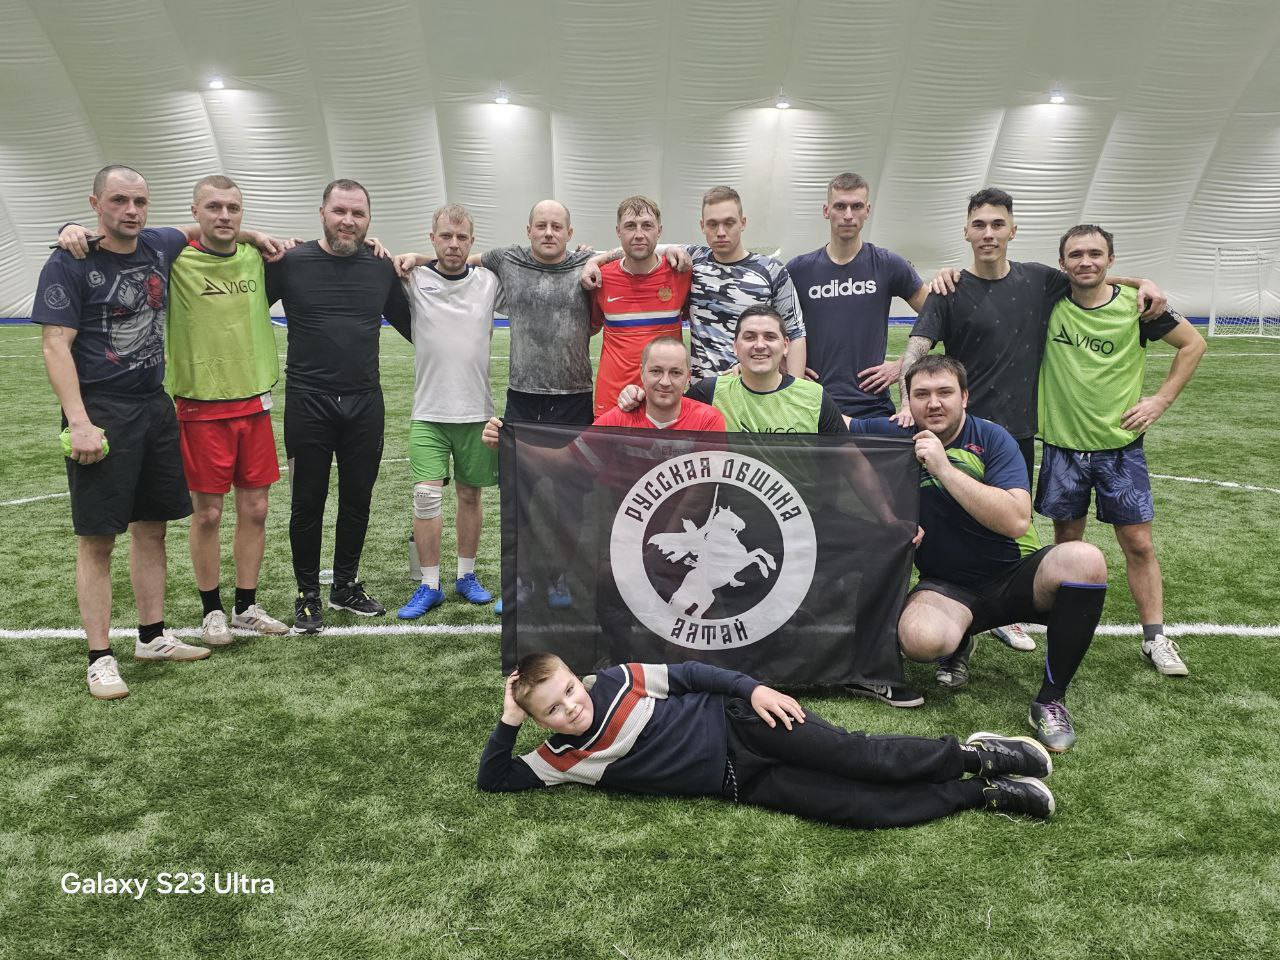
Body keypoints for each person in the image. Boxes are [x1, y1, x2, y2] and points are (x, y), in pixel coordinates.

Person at [898, 187, 1164, 654]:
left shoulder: (1039, 280)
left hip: (1014, 435)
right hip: (957, 433)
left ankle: (998, 613)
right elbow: (916, 348)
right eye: (979, 225)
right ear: (966, 232)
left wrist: (1145, 282)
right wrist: (906, 400)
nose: (988, 233)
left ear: (1012, 231)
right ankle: (957, 624)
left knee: (1006, 526)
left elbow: (1089, 274)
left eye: (997, 224)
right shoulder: (949, 289)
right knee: (954, 529)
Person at [621, 308, 924, 708]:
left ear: (785, 346)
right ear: (735, 347)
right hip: (740, 526)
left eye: (769, 337)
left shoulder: (813, 397)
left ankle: (867, 670)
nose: (759, 345)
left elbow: (852, 462)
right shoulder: (711, 391)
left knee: (884, 543)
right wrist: (635, 395)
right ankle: (671, 666)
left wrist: (889, 519)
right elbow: (666, 404)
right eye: (749, 336)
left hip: (806, 519)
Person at [851, 356, 1109, 752]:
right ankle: (960, 640)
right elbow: (834, 424)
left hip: (1015, 577)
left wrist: (944, 469)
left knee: (1086, 560)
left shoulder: (992, 438)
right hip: (949, 587)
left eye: (944, 393)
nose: (933, 403)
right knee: (919, 640)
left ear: (965, 397)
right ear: (908, 401)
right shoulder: (897, 432)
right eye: (921, 394)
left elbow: (1016, 520)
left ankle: (1050, 699)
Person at [477, 651, 1058, 826]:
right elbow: (494, 779)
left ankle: (975, 755)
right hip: (744, 782)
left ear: (575, 676)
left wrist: (752, 690)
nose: (570, 708)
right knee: (862, 809)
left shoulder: (618, 679)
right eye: (552, 711)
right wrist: (509, 717)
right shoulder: (561, 759)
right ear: (540, 722)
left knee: (861, 757)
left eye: (568, 691)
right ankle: (981, 794)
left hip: (745, 722)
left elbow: (693, 674)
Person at [35, 165, 210, 699]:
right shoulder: (69, 261)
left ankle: (152, 637)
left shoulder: (157, 244)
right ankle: (99, 657)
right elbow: (55, 345)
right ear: (95, 204)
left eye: (139, 201)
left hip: (154, 406)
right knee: (98, 539)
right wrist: (79, 421)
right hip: (100, 411)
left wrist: (262, 235)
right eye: (118, 200)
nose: (131, 210)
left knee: (152, 528)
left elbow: (204, 226)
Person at [1037, 225, 1205, 677]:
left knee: (1138, 543)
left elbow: (1193, 344)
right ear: (1062, 263)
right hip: (1063, 447)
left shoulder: (1138, 306)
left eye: (1095, 253)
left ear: (1110, 259)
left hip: (1121, 449)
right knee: (1067, 546)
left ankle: (1155, 638)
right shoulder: (1049, 302)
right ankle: (1063, 630)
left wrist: (1160, 400)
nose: (1086, 261)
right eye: (1076, 254)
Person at [266, 179, 412, 633]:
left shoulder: (380, 267)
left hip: (365, 402)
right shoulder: (290, 262)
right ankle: (308, 594)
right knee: (307, 503)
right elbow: (241, 301)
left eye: (357, 213)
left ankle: (345, 586)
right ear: (322, 213)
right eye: (340, 211)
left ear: (369, 220)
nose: (348, 221)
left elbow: (416, 326)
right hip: (308, 401)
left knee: (357, 500)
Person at [166, 175, 289, 644]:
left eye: (233, 209)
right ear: (194, 212)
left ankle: (245, 606)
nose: (224, 216)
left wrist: (253, 236)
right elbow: (127, 235)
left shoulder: (257, 257)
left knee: (256, 509)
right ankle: (211, 610)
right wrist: (72, 229)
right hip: (199, 405)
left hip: (253, 401)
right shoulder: (175, 259)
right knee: (208, 515)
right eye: (213, 207)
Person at [394, 203, 501, 619]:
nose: (453, 244)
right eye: (445, 236)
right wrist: (413, 258)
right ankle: (429, 584)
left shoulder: (489, 282)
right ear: (432, 238)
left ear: (472, 241)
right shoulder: (414, 278)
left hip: (476, 411)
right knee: (425, 498)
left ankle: (466, 576)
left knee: (470, 495)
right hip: (428, 411)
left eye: (461, 237)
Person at [588, 187, 806, 381]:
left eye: (729, 223)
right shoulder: (694, 260)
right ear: (702, 226)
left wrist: (794, 391)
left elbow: (795, 334)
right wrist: (596, 260)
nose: (721, 232)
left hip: (753, 388)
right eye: (712, 224)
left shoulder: (771, 270)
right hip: (702, 392)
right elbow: (643, 246)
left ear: (743, 223)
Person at [786, 173, 931, 419]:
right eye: (840, 206)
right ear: (826, 211)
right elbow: (767, 327)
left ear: (867, 211)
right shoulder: (799, 270)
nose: (848, 215)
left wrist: (901, 365)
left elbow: (936, 316)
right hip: (812, 405)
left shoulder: (888, 264)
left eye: (856, 206)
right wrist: (784, 364)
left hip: (872, 407)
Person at [589, 196, 693, 418]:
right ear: (618, 231)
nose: (639, 234)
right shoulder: (600, 279)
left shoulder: (681, 273)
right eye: (630, 226)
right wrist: (593, 261)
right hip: (612, 402)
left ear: (659, 231)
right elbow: (590, 327)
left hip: (664, 401)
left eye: (647, 226)